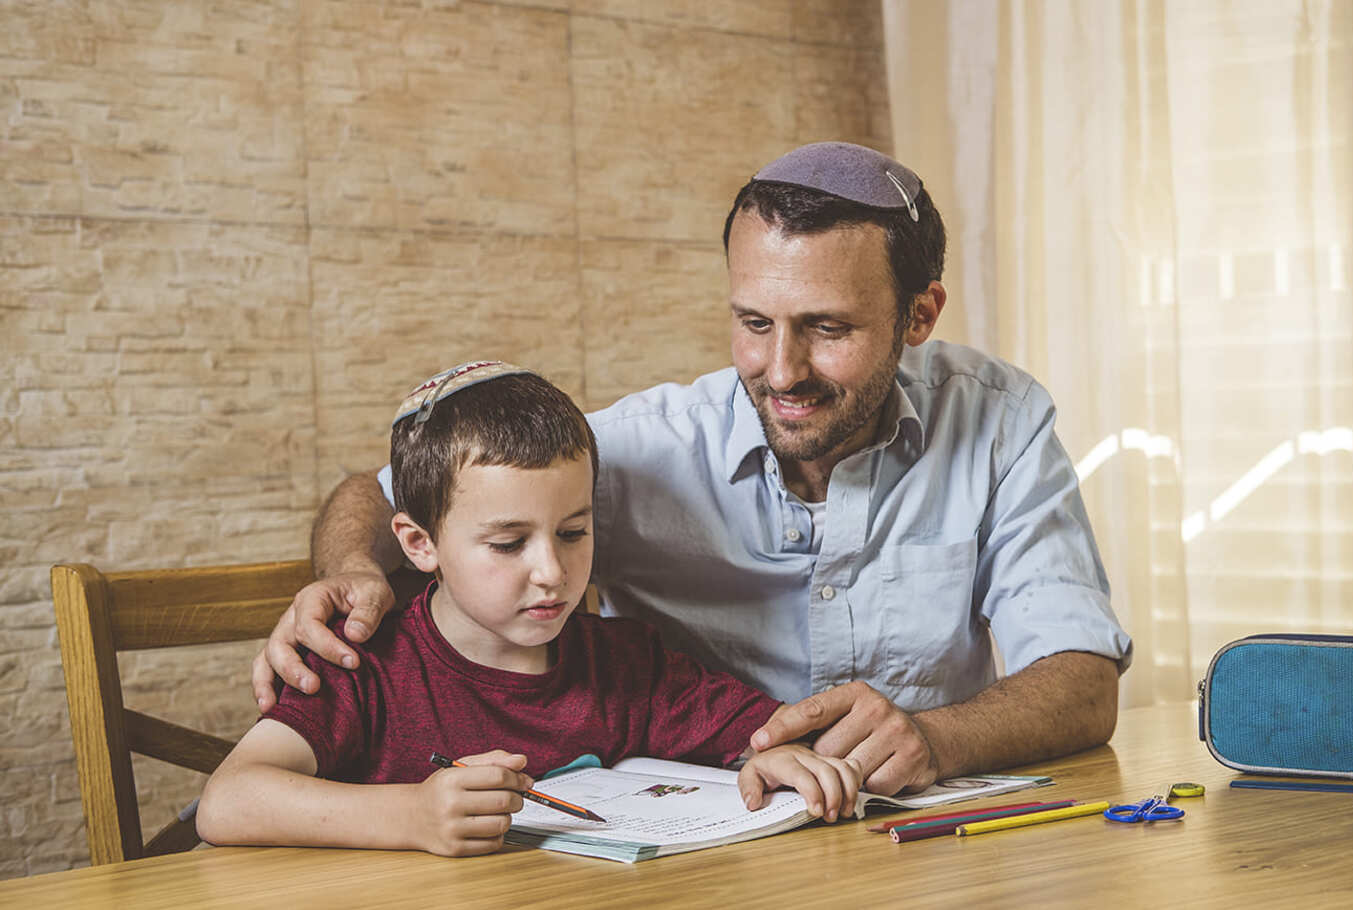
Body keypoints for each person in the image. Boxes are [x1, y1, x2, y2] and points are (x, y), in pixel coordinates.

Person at [253, 142, 1133, 797]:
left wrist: (937, 739)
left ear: (919, 316)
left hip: (922, 838)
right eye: (754, 323)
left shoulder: (1000, 420)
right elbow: (378, 494)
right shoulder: (641, 448)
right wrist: (351, 569)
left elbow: (1083, 683)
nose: (781, 371)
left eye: (827, 328)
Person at [197, 363, 862, 857]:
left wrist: (779, 754)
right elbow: (228, 801)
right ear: (419, 544)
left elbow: (763, 734)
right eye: (508, 543)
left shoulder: (625, 663)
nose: (552, 572)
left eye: (573, 533)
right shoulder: (361, 663)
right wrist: (410, 816)